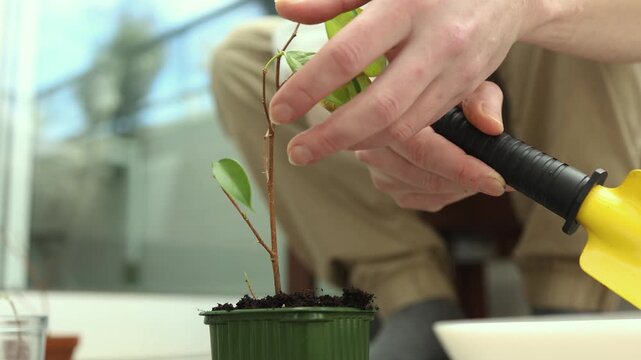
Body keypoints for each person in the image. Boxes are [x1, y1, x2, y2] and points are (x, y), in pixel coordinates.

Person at [212, 1, 641, 359]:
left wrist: (514, 8)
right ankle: (412, 300)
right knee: (240, 60)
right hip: (423, 70)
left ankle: (570, 305)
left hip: (553, 56)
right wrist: (360, 96)